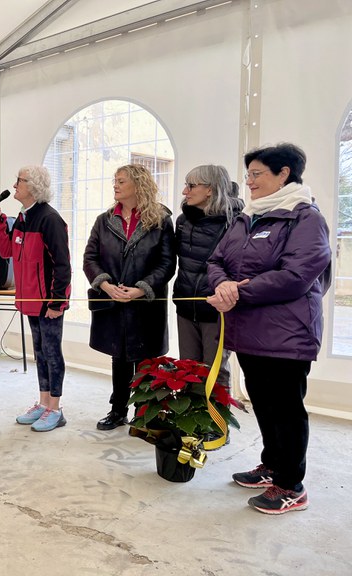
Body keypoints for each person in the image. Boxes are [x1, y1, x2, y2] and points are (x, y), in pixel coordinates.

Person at [207, 143, 331, 515]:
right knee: (262, 402)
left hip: (286, 333)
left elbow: (296, 276)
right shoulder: (247, 218)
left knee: (287, 409)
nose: (249, 182)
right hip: (248, 330)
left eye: (257, 174)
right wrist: (222, 284)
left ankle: (292, 485)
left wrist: (238, 291)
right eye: (248, 175)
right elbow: (216, 260)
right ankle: (272, 466)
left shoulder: (305, 219)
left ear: (284, 174)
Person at [83, 164, 175, 431]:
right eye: (115, 180)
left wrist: (142, 288)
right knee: (119, 357)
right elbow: (90, 258)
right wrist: (106, 285)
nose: (115, 185)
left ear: (138, 185)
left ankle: (145, 413)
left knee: (146, 359)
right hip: (112, 301)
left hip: (145, 303)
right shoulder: (104, 220)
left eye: (121, 181)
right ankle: (117, 410)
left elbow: (167, 263)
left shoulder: (160, 220)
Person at [0, 166, 72, 431]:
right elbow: (5, 252)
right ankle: (43, 402)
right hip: (30, 301)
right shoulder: (24, 218)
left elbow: (63, 265)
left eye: (19, 181)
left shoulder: (50, 219)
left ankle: (55, 409)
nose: (14, 185)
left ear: (33, 186)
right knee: (40, 353)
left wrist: (57, 302)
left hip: (49, 303)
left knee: (52, 352)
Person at [173, 165, 243, 393]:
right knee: (189, 369)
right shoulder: (183, 221)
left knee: (215, 370)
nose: (185, 191)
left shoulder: (236, 222)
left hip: (217, 309)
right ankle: (192, 424)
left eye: (191, 186)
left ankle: (216, 426)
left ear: (210, 189)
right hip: (185, 304)